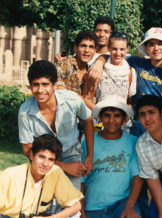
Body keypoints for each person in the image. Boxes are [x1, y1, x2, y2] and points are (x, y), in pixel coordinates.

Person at [18, 60, 94, 191]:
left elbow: (88, 120)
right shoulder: (25, 112)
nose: (40, 90)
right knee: (43, 202)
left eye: (45, 84)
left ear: (55, 85)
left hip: (72, 154)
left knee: (71, 200)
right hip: (43, 159)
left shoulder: (72, 100)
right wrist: (63, 166)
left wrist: (89, 157)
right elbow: (27, 149)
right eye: (35, 85)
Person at [81, 95, 142, 218]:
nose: (111, 120)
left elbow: (137, 176)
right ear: (100, 118)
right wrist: (81, 211)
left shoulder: (133, 142)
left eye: (117, 116)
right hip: (93, 206)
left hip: (122, 204)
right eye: (107, 115)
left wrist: (129, 207)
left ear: (124, 118)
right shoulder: (89, 141)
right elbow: (81, 179)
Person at [0, 134, 83, 218]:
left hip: (39, 215)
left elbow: (76, 205)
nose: (45, 164)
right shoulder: (9, 176)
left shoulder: (55, 172)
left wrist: (52, 217)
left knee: (74, 214)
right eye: (41, 157)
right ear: (32, 155)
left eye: (51, 159)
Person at [84, 31, 137, 110]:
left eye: (122, 49)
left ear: (127, 49)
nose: (118, 53)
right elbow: (86, 98)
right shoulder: (98, 69)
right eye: (114, 49)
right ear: (108, 48)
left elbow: (130, 102)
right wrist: (101, 113)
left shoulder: (131, 72)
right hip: (100, 118)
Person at [55, 30, 97, 101]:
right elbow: (60, 93)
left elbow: (91, 102)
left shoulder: (91, 73)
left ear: (95, 51)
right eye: (83, 46)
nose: (87, 50)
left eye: (91, 47)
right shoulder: (63, 65)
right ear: (75, 47)